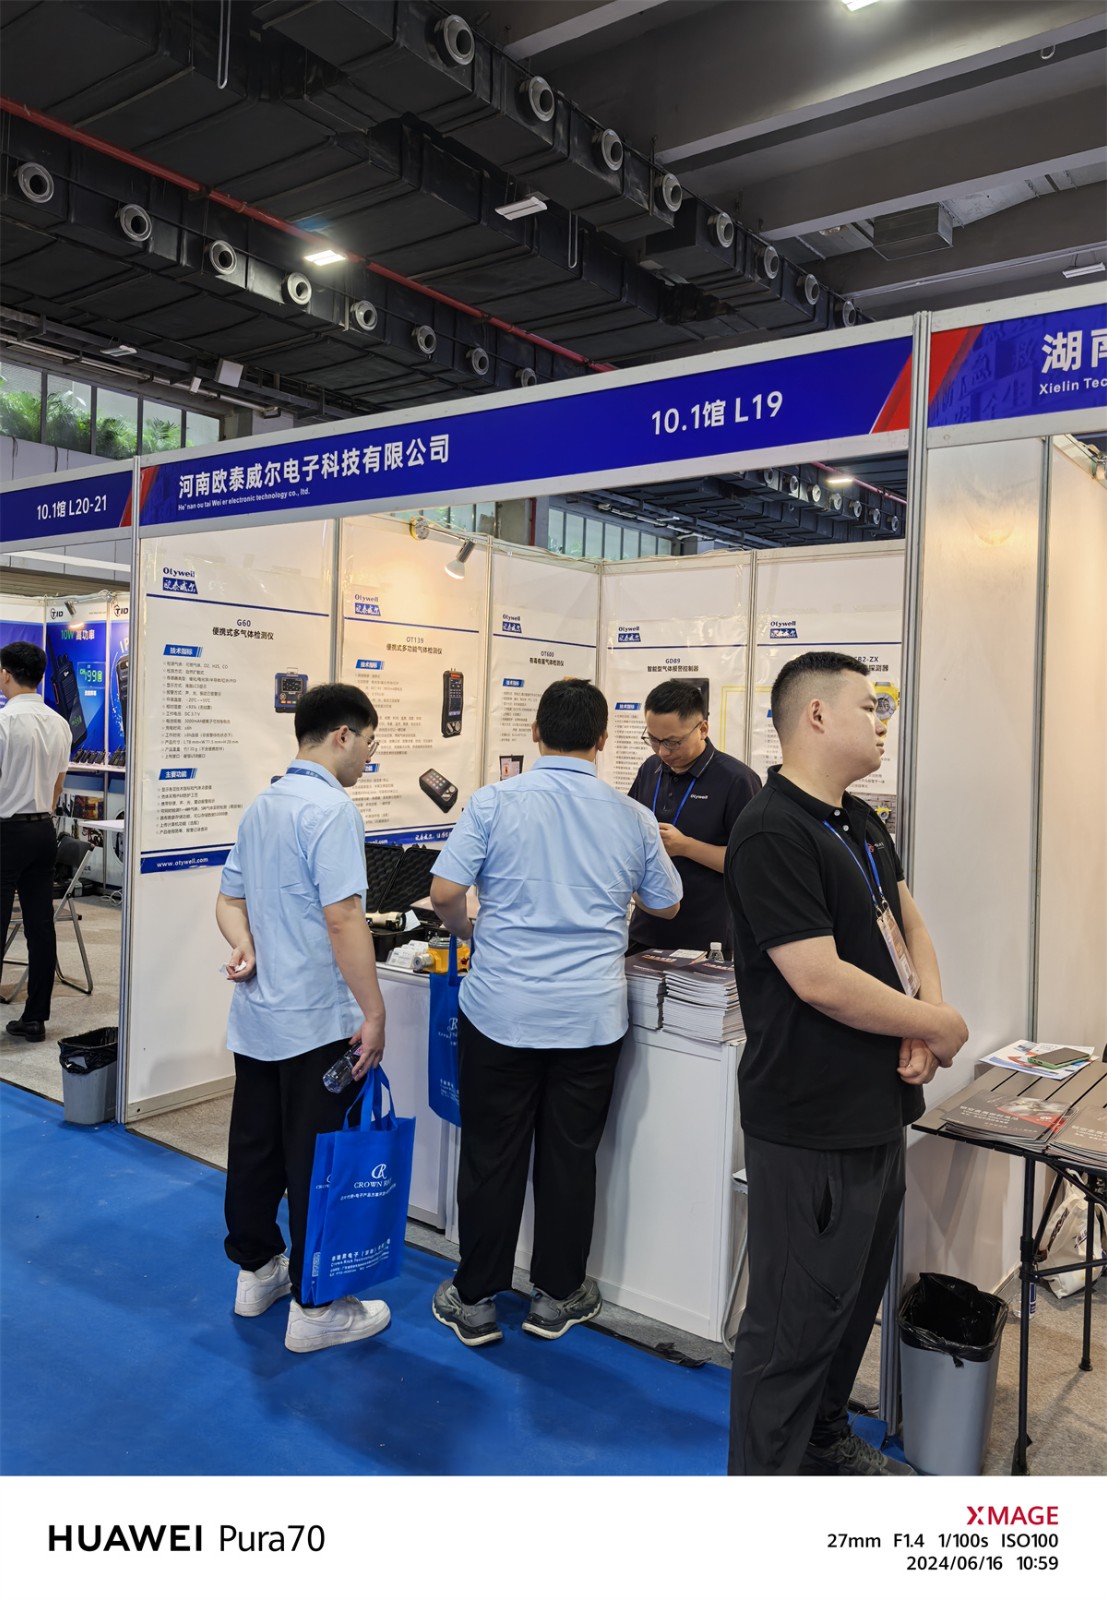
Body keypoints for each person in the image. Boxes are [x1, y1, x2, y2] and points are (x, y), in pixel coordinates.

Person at [724, 650, 968, 1476]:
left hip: (873, 1109)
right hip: (809, 1122)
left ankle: (822, 1440)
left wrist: (923, 1024)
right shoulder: (771, 831)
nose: (880, 722)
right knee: (790, 1324)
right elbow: (817, 979)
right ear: (817, 715)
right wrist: (937, 1025)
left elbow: (907, 924)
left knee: (848, 1303)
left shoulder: (857, 821)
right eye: (869, 706)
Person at [428, 678, 682, 1347]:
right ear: (602, 739)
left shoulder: (493, 802)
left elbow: (445, 891)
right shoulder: (631, 816)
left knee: (491, 1154)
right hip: (588, 1016)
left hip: (501, 1009)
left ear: (536, 733)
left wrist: (469, 931)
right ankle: (557, 1296)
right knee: (570, 1157)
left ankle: (475, 1300)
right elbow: (667, 902)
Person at [215, 682, 391, 1354]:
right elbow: (343, 918)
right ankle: (316, 1306)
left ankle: (256, 1271)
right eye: (369, 742)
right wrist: (374, 1011)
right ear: (343, 734)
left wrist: (245, 943)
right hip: (318, 1023)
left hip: (260, 1017)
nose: (369, 756)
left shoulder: (265, 803)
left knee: (255, 1149)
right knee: (318, 1161)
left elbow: (227, 900)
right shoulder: (332, 809)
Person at [627, 678, 760, 955]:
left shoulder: (736, 780)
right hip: (646, 930)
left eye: (673, 742)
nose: (663, 751)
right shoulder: (650, 768)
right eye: (654, 740)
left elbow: (750, 864)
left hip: (707, 938)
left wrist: (685, 846)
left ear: (703, 729)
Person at [1, 641, 72, 1043]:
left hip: (6, 831)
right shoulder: (59, 724)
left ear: (6, 674)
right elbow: (58, 786)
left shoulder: (4, 722)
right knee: (40, 926)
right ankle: (35, 1018)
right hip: (43, 829)